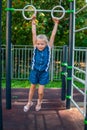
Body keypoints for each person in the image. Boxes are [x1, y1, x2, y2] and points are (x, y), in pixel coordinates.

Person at [24, 14, 59, 112]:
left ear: (46, 43)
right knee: (32, 88)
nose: (40, 45)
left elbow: (53, 35)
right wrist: (33, 21)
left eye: (42, 44)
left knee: (40, 92)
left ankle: (39, 102)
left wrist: (56, 23)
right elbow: (33, 33)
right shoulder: (35, 47)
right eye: (38, 43)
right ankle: (29, 102)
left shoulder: (48, 48)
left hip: (44, 73)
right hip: (34, 71)